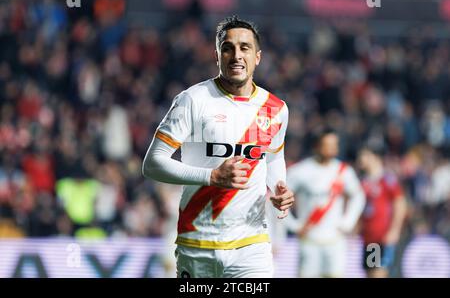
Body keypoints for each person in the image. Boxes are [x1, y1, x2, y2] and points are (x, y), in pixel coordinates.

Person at [142, 16, 294, 278]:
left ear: (257, 56)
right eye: (228, 48)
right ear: (217, 55)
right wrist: (211, 176)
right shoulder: (193, 100)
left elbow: (272, 158)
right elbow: (152, 164)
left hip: (251, 245)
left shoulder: (276, 109)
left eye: (245, 48)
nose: (237, 55)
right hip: (198, 242)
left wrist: (279, 187)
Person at [285, 128, 365, 278]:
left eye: (334, 145)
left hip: (335, 240)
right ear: (316, 146)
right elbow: (277, 200)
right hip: (309, 240)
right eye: (327, 145)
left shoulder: (343, 171)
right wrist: (294, 225)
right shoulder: (300, 171)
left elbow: (358, 196)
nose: (331, 149)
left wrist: (347, 222)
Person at [357, 145, 407, 278]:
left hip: (382, 237)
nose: (360, 159)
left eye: (364, 155)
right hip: (369, 238)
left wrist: (394, 230)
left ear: (374, 157)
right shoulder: (364, 181)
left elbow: (400, 204)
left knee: (379, 273)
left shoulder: (387, 179)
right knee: (370, 273)